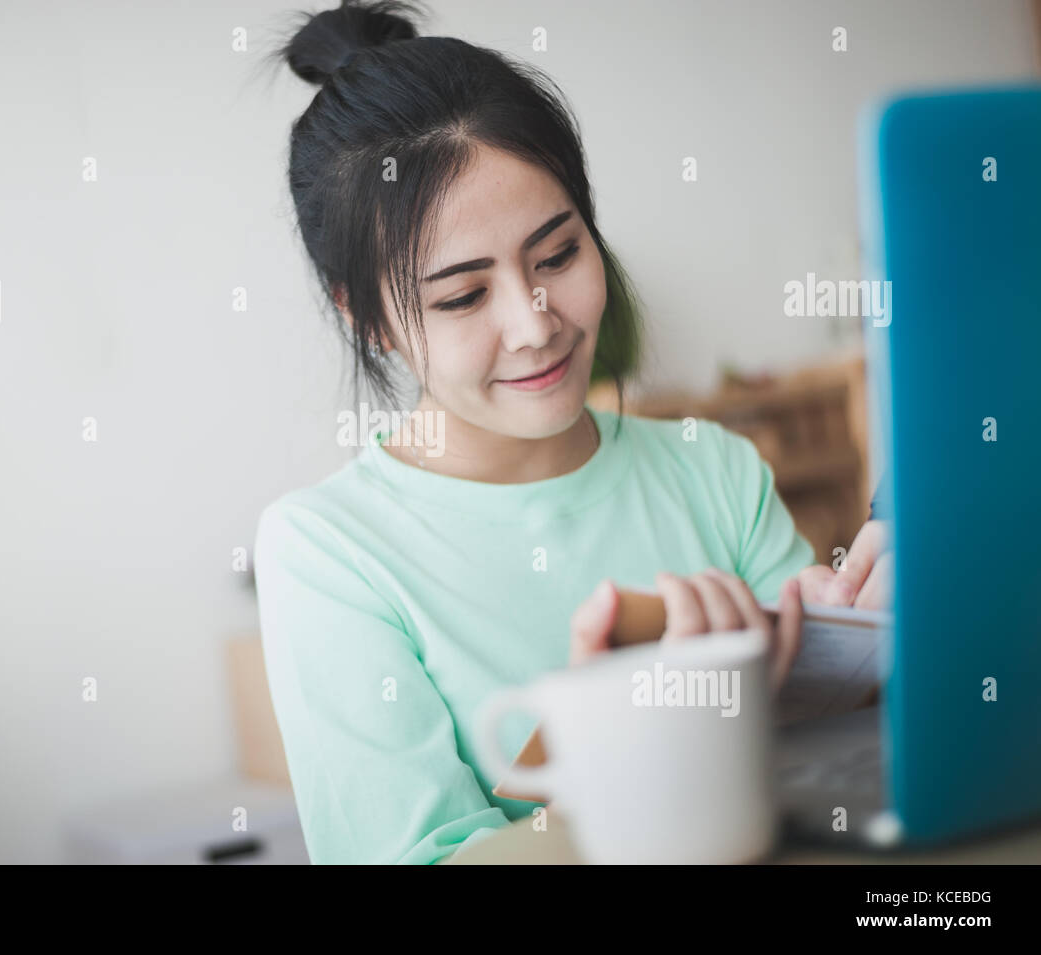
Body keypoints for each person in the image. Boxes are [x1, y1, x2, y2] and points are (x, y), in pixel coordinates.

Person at [252, 0, 887, 864]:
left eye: (557, 255)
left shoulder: (715, 471)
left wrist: (868, 654)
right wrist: (620, 724)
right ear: (369, 319)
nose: (535, 322)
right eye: (463, 296)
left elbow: (839, 783)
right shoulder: (327, 551)